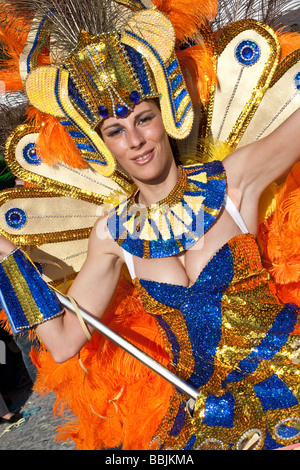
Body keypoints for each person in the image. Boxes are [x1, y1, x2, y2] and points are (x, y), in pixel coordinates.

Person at [0, 0, 300, 451]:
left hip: (291, 384)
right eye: (116, 131)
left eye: (143, 118)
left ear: (166, 115)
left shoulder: (235, 181)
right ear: (102, 145)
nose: (136, 140)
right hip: (207, 419)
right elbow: (62, 342)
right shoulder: (112, 235)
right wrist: (8, 260)